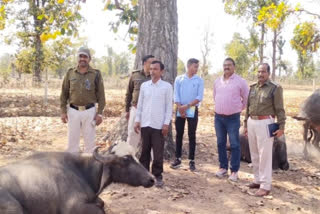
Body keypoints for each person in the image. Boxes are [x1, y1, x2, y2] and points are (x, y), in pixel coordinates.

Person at [244, 63, 286, 197]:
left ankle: (265, 185)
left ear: (268, 73)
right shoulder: (252, 88)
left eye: (263, 72)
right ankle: (257, 180)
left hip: (265, 122)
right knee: (254, 153)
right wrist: (245, 124)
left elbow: (280, 109)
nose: (260, 74)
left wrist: (281, 126)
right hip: (252, 121)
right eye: (258, 72)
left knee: (265, 155)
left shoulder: (275, 88)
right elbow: (248, 107)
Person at [134, 60, 173, 188]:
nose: (152, 71)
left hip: (158, 125)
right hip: (145, 123)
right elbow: (140, 105)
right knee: (144, 151)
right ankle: (144, 176)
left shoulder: (166, 87)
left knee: (157, 153)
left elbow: (169, 107)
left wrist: (166, 124)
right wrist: (137, 120)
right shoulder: (145, 86)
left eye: (155, 69)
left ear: (161, 71)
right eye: (151, 69)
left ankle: (157, 176)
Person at [60, 47, 106, 153]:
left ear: (89, 59)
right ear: (77, 58)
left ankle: (88, 166)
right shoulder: (70, 73)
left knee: (90, 143)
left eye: (85, 56)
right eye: (80, 56)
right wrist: (63, 111)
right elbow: (64, 93)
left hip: (89, 112)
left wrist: (99, 114)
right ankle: (73, 166)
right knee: (72, 143)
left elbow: (101, 96)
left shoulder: (95, 74)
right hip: (73, 111)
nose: (82, 59)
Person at [213, 57, 249, 182]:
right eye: (224, 65)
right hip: (218, 117)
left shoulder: (241, 82)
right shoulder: (217, 81)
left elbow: (246, 99)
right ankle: (223, 167)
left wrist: (237, 108)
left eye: (229, 65)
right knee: (220, 143)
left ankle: (234, 171)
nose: (226, 67)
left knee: (234, 144)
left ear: (234, 67)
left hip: (233, 118)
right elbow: (215, 96)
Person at [170, 58, 204, 171]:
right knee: (179, 134)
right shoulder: (179, 79)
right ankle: (178, 158)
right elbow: (176, 95)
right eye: (195, 66)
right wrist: (180, 108)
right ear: (188, 66)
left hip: (192, 109)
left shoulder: (199, 80)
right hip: (180, 109)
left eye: (197, 67)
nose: (196, 69)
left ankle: (191, 160)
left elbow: (199, 97)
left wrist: (187, 106)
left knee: (192, 135)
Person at [125, 55, 155, 152]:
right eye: (151, 62)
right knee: (132, 136)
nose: (153, 65)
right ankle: (129, 161)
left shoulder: (156, 77)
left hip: (150, 111)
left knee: (151, 138)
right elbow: (129, 93)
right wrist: (127, 110)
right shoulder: (135, 75)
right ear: (144, 63)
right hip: (135, 109)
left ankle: (153, 164)